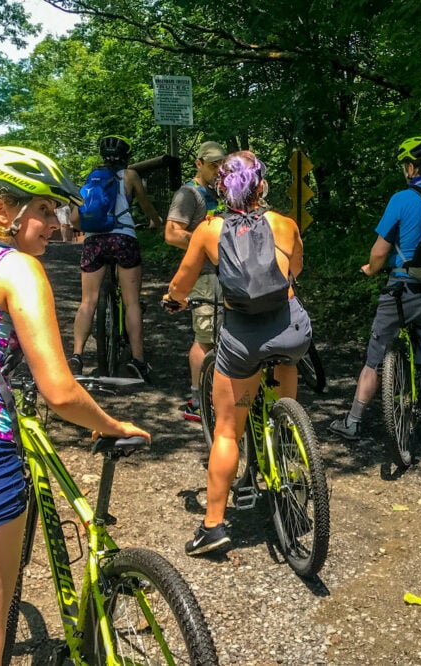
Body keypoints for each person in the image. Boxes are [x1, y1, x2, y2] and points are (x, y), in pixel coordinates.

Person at [0, 146, 150, 662]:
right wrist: (108, 422)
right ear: (2, 211)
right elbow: (59, 391)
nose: (56, 226)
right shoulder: (15, 268)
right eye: (43, 210)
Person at [163, 150, 310, 556]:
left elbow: (182, 283)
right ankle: (290, 456)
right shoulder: (285, 223)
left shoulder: (208, 230)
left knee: (227, 430)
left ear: (220, 189)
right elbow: (295, 268)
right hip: (289, 329)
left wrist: (173, 299)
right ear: (261, 186)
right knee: (286, 407)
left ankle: (213, 527)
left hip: (244, 339)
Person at [327, 137, 421, 453]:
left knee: (375, 356)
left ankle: (354, 420)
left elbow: (379, 252)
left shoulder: (402, 199)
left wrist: (370, 270)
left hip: (402, 290)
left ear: (411, 168)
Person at [68, 135, 162, 381]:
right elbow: (145, 205)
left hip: (94, 241)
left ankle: (77, 356)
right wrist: (156, 222)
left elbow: (74, 220)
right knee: (131, 302)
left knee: (88, 301)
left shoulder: (92, 179)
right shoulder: (130, 176)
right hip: (123, 239)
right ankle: (138, 361)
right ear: (126, 156)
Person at [164, 141, 227, 421]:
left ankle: (218, 395)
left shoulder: (222, 191)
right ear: (198, 164)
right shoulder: (188, 194)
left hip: (224, 274)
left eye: (221, 164)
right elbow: (172, 233)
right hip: (203, 276)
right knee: (205, 339)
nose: (218, 169)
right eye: (212, 164)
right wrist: (204, 244)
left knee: (222, 336)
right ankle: (197, 401)